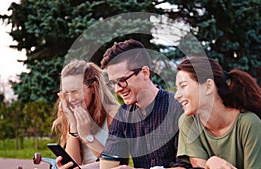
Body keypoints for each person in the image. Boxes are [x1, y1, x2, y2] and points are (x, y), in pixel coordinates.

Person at [57, 39, 190, 169]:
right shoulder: (123, 115)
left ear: (145, 72)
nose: (117, 89)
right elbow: (109, 163)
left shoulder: (178, 107)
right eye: (113, 83)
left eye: (122, 80)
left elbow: (186, 166)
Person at [174, 57, 261, 169]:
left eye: (183, 86)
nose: (177, 96)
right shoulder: (188, 122)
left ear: (208, 86)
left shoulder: (249, 123)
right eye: (177, 88)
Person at [52, 60, 119, 165]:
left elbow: (115, 163)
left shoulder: (113, 113)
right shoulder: (72, 115)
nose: (70, 99)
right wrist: (73, 125)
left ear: (93, 88)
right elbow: (74, 164)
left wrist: (86, 135)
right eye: (65, 94)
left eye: (75, 92)